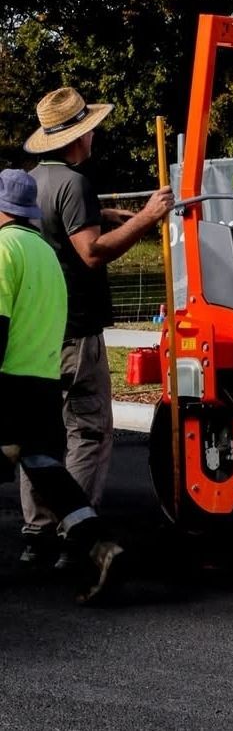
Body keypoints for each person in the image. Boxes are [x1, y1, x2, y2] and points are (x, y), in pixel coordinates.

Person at [19, 86, 175, 566]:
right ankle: (77, 529)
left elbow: (69, 227)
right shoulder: (76, 182)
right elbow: (92, 252)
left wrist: (110, 215)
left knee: (41, 432)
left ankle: (37, 531)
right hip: (78, 325)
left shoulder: (31, 182)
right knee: (88, 430)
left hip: (39, 330)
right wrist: (148, 216)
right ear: (78, 136)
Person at [0, 167, 125, 604]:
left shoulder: (3, 250)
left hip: (7, 382)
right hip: (41, 382)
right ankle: (99, 544)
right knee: (46, 467)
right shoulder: (44, 253)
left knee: (36, 463)